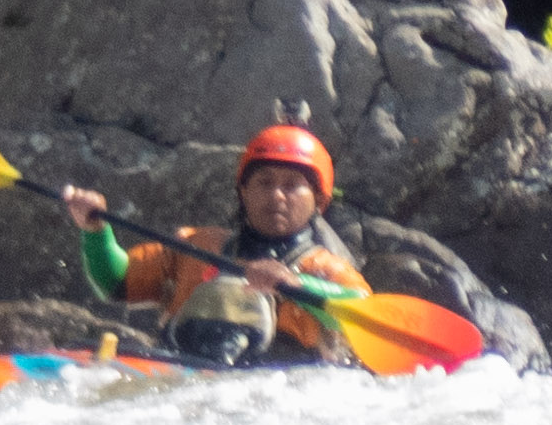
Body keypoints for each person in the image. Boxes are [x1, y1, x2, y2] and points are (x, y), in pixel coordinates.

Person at [59, 120, 370, 367]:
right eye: (264, 182)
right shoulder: (198, 246)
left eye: (292, 185)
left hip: (275, 395)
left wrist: (296, 285)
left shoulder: (328, 270)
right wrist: (95, 231)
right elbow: (115, 282)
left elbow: (363, 311)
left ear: (319, 201)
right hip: (185, 382)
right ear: (243, 191)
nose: (277, 195)